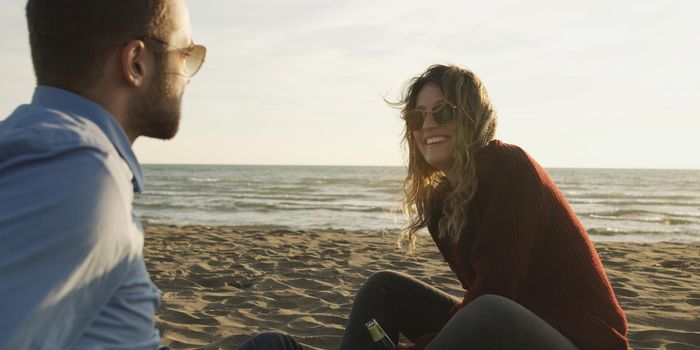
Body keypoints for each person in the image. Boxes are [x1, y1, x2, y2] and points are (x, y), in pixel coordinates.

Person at [0, 1, 302, 349]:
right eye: (186, 54)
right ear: (136, 63)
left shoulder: (31, 144)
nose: (188, 76)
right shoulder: (79, 174)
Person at [339, 64, 629, 350]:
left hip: (580, 341)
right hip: (511, 326)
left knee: (486, 310)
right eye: (417, 117)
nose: (427, 125)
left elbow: (496, 292)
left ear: (471, 117)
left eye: (443, 111)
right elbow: (481, 297)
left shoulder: (508, 167)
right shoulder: (441, 203)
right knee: (383, 290)